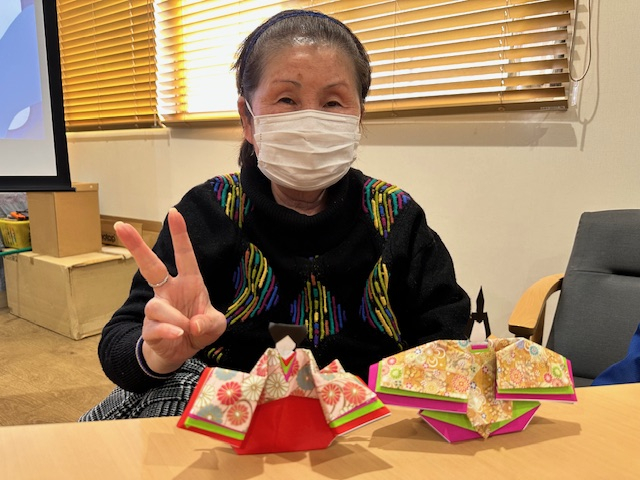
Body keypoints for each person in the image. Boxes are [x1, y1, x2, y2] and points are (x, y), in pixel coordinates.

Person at [80, 9, 470, 421]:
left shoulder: (395, 217)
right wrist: (160, 353)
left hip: (363, 428)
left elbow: (446, 338)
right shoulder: (207, 211)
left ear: (359, 116)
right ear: (248, 119)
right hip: (229, 424)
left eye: (333, 102)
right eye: (287, 99)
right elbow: (122, 343)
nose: (311, 120)